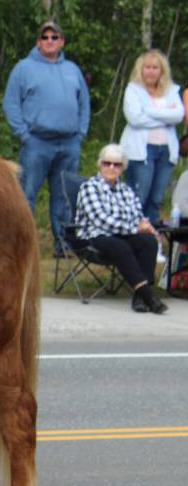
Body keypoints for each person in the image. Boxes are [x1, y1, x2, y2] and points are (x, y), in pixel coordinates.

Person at [4, 20, 91, 258]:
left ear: (62, 41)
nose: (50, 41)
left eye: (54, 37)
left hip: (69, 142)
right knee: (27, 194)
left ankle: (62, 244)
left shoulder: (72, 69)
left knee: (64, 196)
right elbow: (11, 104)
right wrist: (24, 135)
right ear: (38, 41)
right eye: (45, 37)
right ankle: (24, 245)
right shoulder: (24, 68)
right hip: (36, 142)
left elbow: (84, 103)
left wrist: (81, 133)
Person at [75, 144, 166, 314]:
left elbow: (137, 215)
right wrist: (135, 227)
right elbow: (101, 220)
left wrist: (145, 226)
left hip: (122, 235)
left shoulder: (127, 191)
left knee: (149, 242)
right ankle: (148, 296)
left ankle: (139, 298)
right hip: (94, 235)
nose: (111, 167)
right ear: (100, 164)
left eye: (116, 164)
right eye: (106, 163)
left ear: (123, 168)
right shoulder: (89, 187)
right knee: (120, 246)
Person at [118, 49, 184, 225]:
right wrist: (165, 117)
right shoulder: (133, 90)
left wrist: (149, 111)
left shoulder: (171, 90)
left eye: (155, 67)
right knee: (139, 196)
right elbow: (134, 118)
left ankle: (154, 240)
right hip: (141, 152)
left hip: (165, 151)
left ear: (162, 70)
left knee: (156, 198)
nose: (151, 71)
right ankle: (133, 234)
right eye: (147, 67)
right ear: (141, 69)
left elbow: (178, 115)